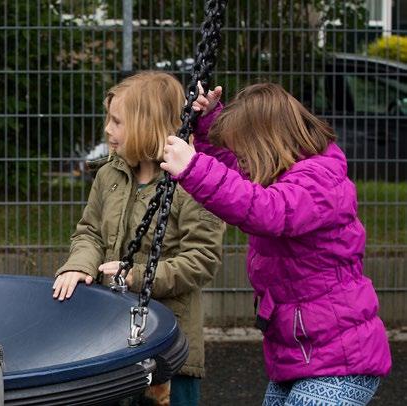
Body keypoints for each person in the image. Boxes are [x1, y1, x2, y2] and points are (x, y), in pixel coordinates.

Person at [161, 82, 392, 405]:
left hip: (340, 359)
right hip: (300, 352)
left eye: (244, 152)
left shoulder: (317, 180)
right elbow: (235, 173)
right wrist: (208, 121)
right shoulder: (280, 170)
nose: (241, 162)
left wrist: (194, 168)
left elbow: (268, 210)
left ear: (265, 144)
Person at [52, 71, 225, 406]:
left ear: (147, 124)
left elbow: (202, 258)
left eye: (117, 121)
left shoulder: (193, 180)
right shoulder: (110, 174)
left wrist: (138, 277)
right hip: (110, 336)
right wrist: (79, 266)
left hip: (168, 347)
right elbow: (90, 231)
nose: (107, 129)